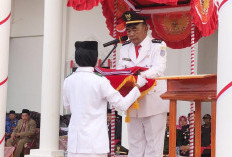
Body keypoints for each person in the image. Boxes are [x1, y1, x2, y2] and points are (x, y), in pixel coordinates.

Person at [63, 41, 147, 157]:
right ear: (95, 58)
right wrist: (137, 87)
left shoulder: (68, 80)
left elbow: (67, 106)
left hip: (75, 144)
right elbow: (122, 105)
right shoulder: (100, 81)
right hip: (94, 144)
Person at [117, 11, 169, 157]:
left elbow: (158, 69)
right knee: (135, 144)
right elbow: (121, 69)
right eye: (128, 30)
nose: (131, 34)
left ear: (145, 28)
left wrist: (137, 77)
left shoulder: (157, 45)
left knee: (153, 145)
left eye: (135, 29)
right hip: (133, 101)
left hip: (153, 101)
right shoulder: (125, 47)